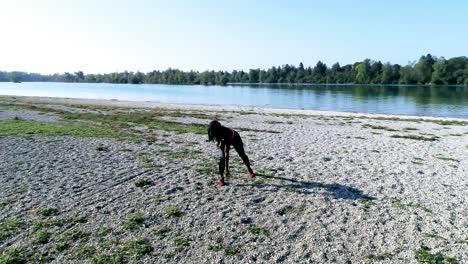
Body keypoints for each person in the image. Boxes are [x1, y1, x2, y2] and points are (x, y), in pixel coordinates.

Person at [207, 120, 255, 186]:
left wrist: (221, 144)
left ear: (217, 129)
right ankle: (222, 179)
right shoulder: (212, 131)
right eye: (210, 131)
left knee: (242, 154)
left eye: (212, 130)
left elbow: (224, 145)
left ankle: (249, 169)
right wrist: (218, 143)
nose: (211, 133)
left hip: (235, 138)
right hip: (225, 140)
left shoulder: (223, 131)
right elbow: (219, 142)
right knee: (222, 158)